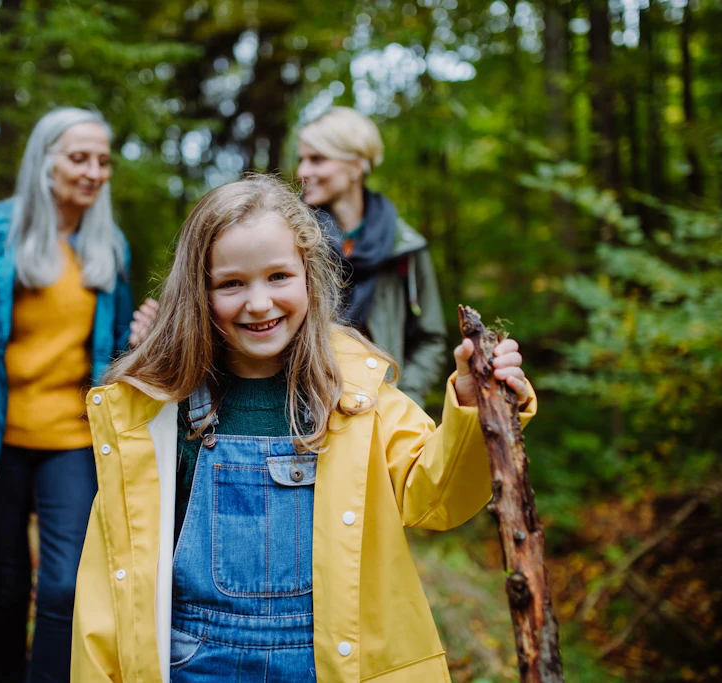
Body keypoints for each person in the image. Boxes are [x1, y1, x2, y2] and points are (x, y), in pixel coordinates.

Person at [70, 175, 536, 682]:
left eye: (278, 277)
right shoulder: (158, 412)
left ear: (309, 277)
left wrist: (470, 406)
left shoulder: (354, 391)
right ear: (198, 292)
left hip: (330, 663)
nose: (259, 303)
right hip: (190, 663)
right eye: (231, 283)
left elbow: (436, 496)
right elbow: (109, 583)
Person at [0, 107, 151, 683]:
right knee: (9, 588)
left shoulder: (110, 244)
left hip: (71, 441)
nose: (93, 171)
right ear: (45, 162)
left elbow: (111, 355)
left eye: (103, 161)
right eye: (79, 158)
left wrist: (138, 342)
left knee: (65, 585)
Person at [296, 106, 446, 406]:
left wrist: (404, 399)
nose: (302, 172)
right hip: (304, 414)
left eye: (317, 159)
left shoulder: (405, 246)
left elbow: (432, 339)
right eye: (301, 160)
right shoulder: (291, 238)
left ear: (357, 166)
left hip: (381, 414)